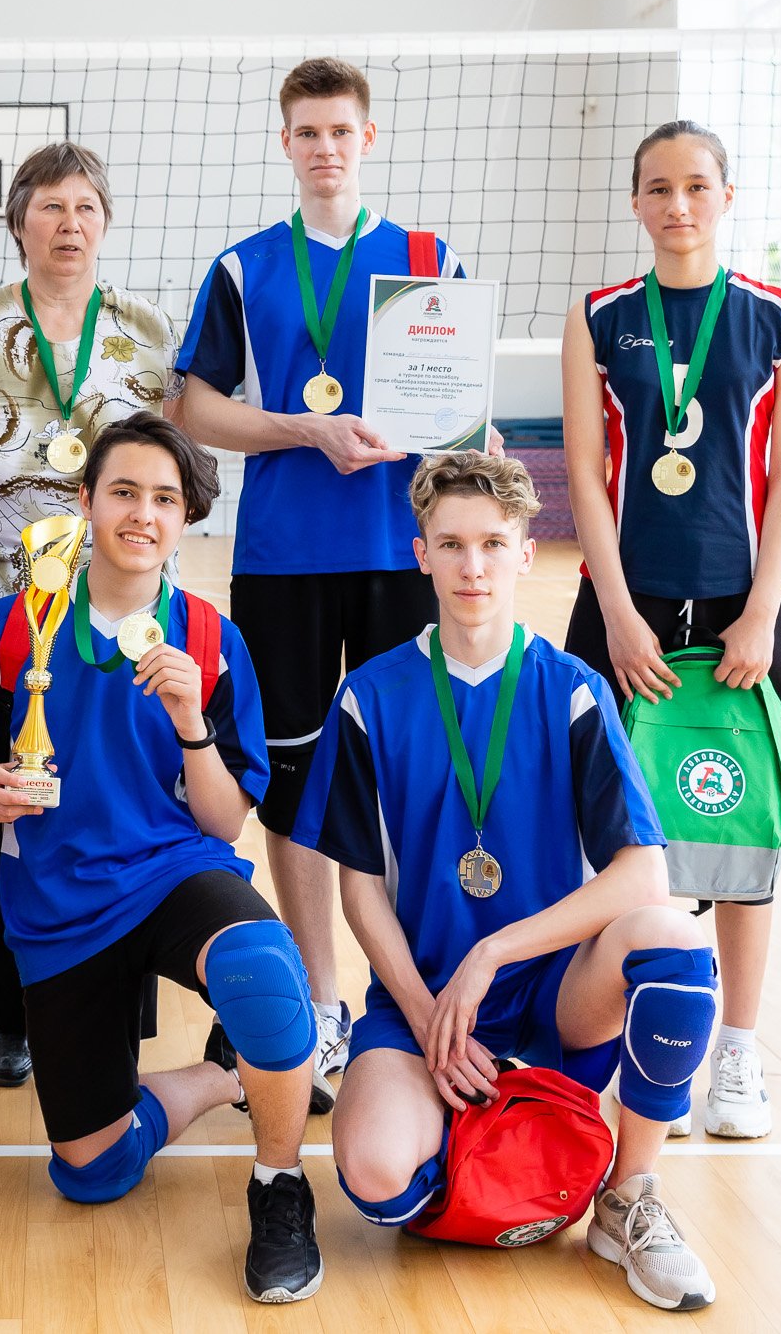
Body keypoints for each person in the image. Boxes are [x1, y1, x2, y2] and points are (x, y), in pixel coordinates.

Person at [298, 453, 720, 1312]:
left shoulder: (573, 690)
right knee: (377, 1176)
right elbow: (360, 888)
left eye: (494, 543)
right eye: (452, 544)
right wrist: (429, 1015)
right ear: (421, 553)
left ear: (527, 553)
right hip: (423, 998)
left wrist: (491, 953)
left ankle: (627, 1197)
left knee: (676, 941)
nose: (474, 566)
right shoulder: (369, 695)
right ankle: (502, 1128)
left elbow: (644, 873)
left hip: (556, 993)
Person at [0, 415, 323, 1304]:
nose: (142, 513)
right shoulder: (13, 628)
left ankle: (280, 1181)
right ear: (86, 500)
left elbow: (225, 820)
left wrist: (193, 722)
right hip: (58, 904)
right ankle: (224, 1074)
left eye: (163, 498)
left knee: (266, 970)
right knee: (93, 1170)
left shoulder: (211, 638)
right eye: (123, 491)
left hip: (172, 874)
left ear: (185, 515)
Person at [177, 57, 498, 1110]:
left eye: (340, 130)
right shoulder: (245, 267)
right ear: (286, 143)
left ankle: (420, 994)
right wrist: (303, 430)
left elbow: (462, 409)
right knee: (296, 778)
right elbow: (191, 406)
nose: (325, 147)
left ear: (368, 138)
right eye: (306, 131)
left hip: (403, 550)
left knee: (419, 767)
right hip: (284, 559)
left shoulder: (428, 260)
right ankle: (321, 998)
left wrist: (477, 446)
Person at [561, 119, 781, 1140]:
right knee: (619, 838)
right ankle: (645, 1044)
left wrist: (762, 609)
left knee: (741, 833)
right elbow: (584, 474)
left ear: (726, 194)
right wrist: (616, 612)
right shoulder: (598, 317)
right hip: (624, 605)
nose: (678, 204)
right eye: (658, 188)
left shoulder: (777, 314)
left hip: (741, 609)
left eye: (696, 186)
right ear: (635, 201)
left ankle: (737, 1053)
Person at [0, 141, 182, 1087]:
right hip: (2, 609)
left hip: (121, 612)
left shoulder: (148, 331)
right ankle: (6, 1015)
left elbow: (165, 461)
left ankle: (118, 1007)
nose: (71, 224)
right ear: (18, 220)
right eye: (51, 207)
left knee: (121, 804)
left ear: (105, 222)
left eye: (87, 207)